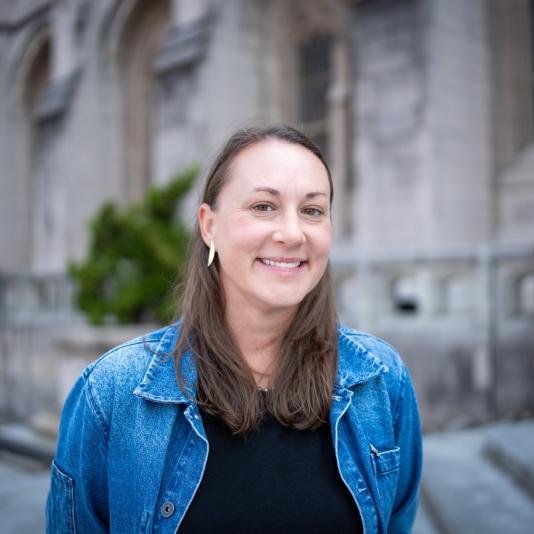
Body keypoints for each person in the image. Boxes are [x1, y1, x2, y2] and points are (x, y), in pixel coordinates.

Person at [46, 125, 422, 533]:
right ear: (209, 225)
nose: (293, 234)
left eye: (312, 210)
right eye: (263, 206)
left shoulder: (382, 381)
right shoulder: (113, 393)